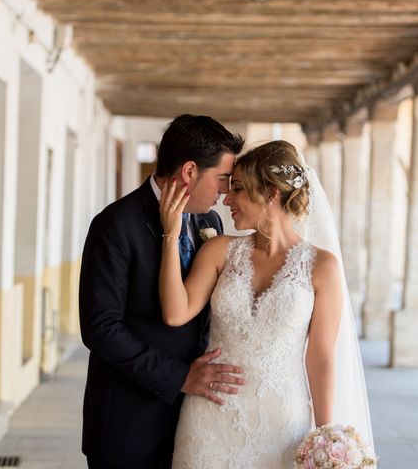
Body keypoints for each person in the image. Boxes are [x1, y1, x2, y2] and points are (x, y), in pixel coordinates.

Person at [159, 140, 373, 468]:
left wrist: (326, 436)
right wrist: (170, 235)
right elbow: (176, 313)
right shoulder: (219, 250)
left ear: (271, 193)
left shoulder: (322, 266)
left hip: (283, 424)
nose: (227, 199)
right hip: (208, 420)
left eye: (239, 189)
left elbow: (321, 357)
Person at [79, 114, 245, 468]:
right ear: (188, 172)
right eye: (221, 179)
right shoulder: (115, 224)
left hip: (194, 421)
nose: (225, 191)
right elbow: (101, 328)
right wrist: (180, 376)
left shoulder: (210, 223)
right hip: (127, 421)